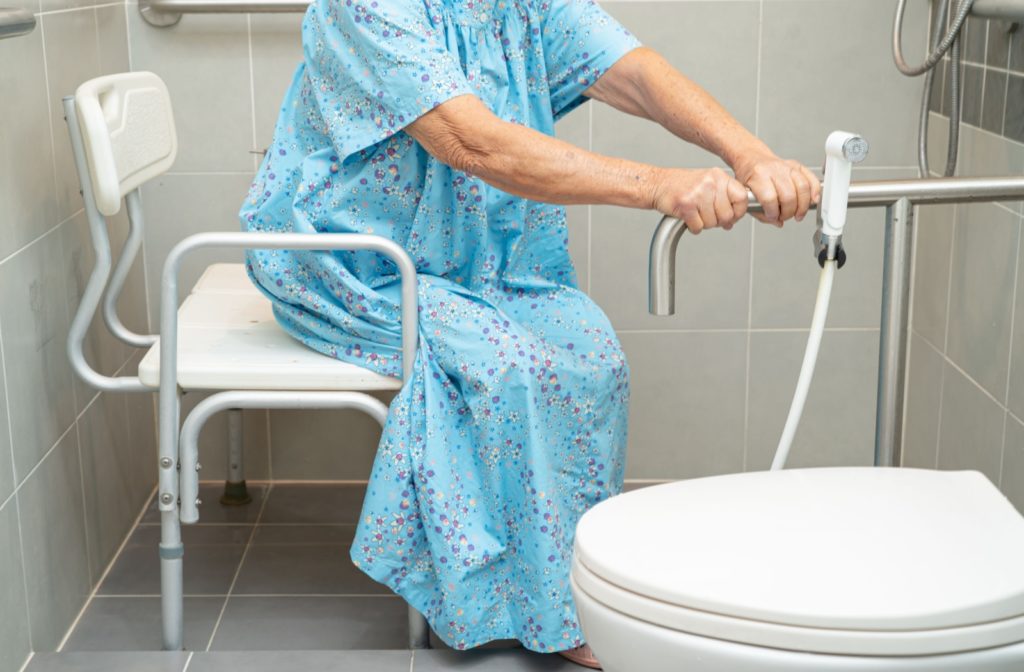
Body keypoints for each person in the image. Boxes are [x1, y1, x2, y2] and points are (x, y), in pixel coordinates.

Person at [239, 0, 820, 667]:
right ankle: (503, 607)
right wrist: (663, 185)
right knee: (507, 368)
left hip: (482, 255)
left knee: (593, 355)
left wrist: (750, 154)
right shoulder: (364, 6)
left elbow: (633, 71)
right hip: (358, 260)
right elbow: (472, 141)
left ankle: (567, 593)